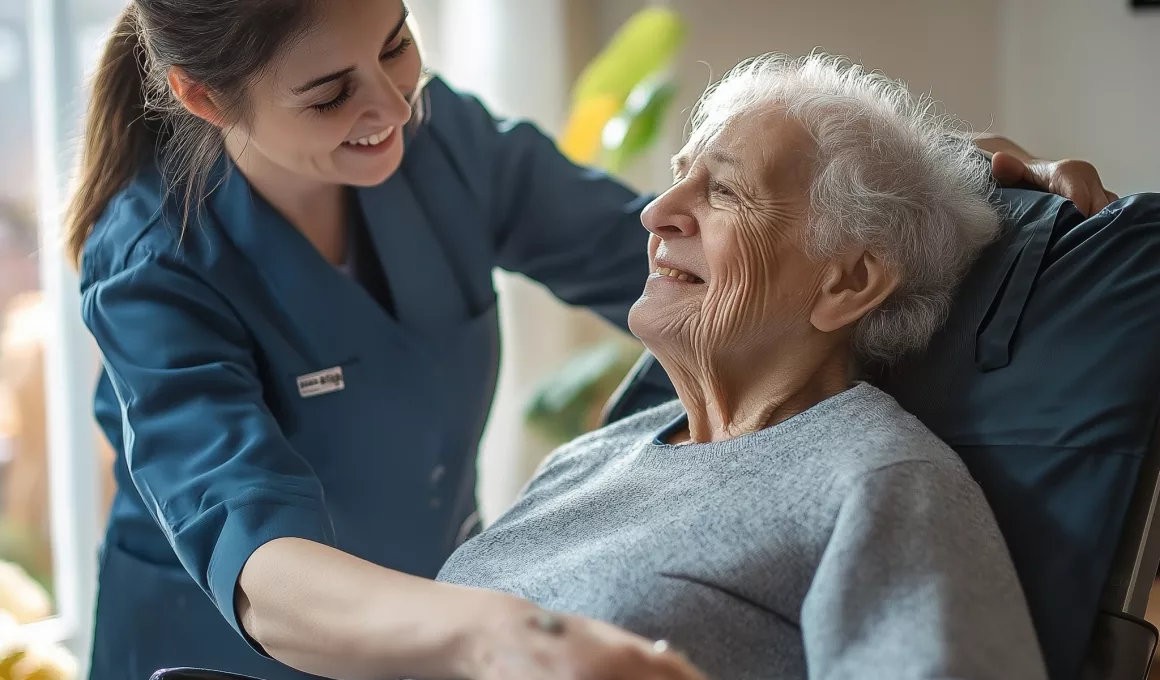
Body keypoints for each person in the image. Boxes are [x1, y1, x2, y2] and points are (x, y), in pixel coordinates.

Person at [71, 1, 1109, 679]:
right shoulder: (155, 264)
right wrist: (497, 632)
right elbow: (255, 558)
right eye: (329, 91)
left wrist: (919, 186)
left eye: (394, 40)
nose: (391, 105)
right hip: (229, 640)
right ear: (204, 99)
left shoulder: (872, 479)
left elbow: (691, 259)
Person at [437, 52, 1047, 679]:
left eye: (724, 190)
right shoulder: (584, 460)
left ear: (850, 282)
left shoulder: (880, 482)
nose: (655, 213)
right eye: (680, 175)